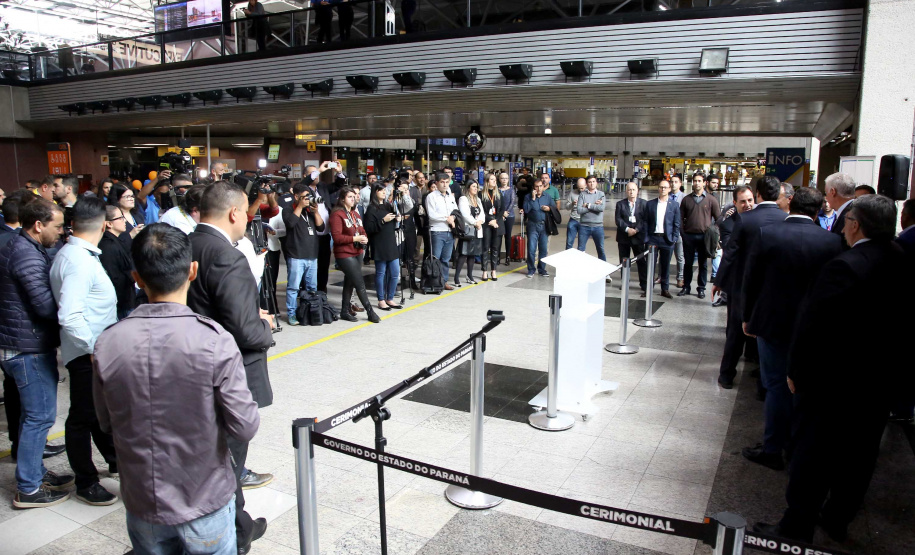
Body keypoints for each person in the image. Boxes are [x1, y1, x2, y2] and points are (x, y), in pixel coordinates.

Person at [93, 223, 259, 555]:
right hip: (203, 498)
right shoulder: (213, 340)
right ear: (192, 271)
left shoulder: (108, 341)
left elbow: (106, 421)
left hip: (142, 498)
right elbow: (245, 425)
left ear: (137, 278)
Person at [755, 195, 913, 543]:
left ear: (856, 225)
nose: (843, 227)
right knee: (861, 455)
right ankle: (837, 519)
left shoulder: (846, 265)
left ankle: (796, 525)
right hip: (879, 382)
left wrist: (796, 371)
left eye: (848, 220)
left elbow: (815, 324)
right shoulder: (902, 258)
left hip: (832, 382)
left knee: (812, 454)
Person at [186, 181, 274, 553]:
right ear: (235, 212)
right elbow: (245, 330)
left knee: (217, 455)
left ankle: (240, 523)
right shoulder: (227, 255)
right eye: (247, 213)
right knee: (230, 458)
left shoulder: (188, 243)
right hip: (229, 370)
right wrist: (265, 326)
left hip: (194, 361)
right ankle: (234, 535)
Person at [740, 187, 841, 470]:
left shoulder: (768, 234)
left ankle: (773, 448)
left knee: (775, 385)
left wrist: (747, 317)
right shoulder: (832, 241)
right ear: (818, 211)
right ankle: (798, 446)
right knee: (804, 386)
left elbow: (751, 279)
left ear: (790, 204)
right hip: (813, 326)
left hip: (772, 322)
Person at [0, 199, 73, 509]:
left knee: (31, 416)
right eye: (57, 226)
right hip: (27, 348)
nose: (61, 232)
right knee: (39, 417)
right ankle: (29, 488)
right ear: (38, 225)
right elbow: (44, 306)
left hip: (19, 343)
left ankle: (36, 472)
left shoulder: (21, 246)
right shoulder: (26, 255)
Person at [49, 197, 119, 506]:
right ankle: (86, 481)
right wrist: (92, 349)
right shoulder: (78, 261)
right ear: (103, 225)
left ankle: (114, 460)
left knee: (96, 412)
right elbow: (70, 315)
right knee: (82, 417)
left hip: (92, 351)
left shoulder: (78, 254)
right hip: (86, 354)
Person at [712, 177, 786, 389]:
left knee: (735, 333)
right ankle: (763, 384)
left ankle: (726, 375)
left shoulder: (746, 220)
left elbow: (730, 254)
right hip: (771, 287)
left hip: (742, 285)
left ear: (758, 195)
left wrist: (719, 281)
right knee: (766, 333)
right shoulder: (785, 218)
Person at [330, 187, 381, 322]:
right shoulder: (337, 215)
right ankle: (370, 311)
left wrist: (364, 238)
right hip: (344, 253)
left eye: (354, 196)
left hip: (357, 251)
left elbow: (362, 230)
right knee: (359, 282)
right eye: (350, 197)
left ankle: (344, 311)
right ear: (342, 199)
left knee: (350, 281)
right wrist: (355, 239)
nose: (353, 199)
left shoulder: (355, 214)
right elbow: (337, 238)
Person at [282, 179, 326, 325]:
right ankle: (292, 314)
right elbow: (290, 223)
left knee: (312, 288)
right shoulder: (288, 209)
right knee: (293, 287)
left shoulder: (310, 211)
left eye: (309, 196)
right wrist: (300, 206)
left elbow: (321, 228)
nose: (308, 199)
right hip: (296, 255)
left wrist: (316, 212)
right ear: (296, 197)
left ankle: (309, 313)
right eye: (305, 197)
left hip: (312, 255)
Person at [677, 173, 720, 299]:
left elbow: (719, 218)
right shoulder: (686, 199)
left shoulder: (711, 200)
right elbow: (680, 218)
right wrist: (683, 233)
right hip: (689, 236)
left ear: (704, 183)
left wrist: (714, 233)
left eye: (699, 181)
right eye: (695, 181)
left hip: (704, 237)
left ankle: (701, 288)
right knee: (688, 263)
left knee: (703, 264)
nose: (697, 183)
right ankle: (686, 286)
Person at [712, 186, 755, 308]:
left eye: (750, 200)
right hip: (738, 277)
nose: (748, 205)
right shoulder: (728, 224)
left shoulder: (761, 219)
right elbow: (729, 250)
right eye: (743, 201)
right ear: (735, 203)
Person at [364, 184, 404, 310]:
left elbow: (394, 223)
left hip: (391, 241)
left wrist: (397, 219)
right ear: (375, 192)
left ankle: (390, 298)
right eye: (380, 190)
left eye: (384, 190)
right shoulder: (371, 208)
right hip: (379, 242)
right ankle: (381, 299)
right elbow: (368, 228)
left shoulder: (388, 205)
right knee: (381, 272)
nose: (383, 192)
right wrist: (382, 221)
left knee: (395, 272)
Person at [642, 180, 680, 299]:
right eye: (661, 187)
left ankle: (665, 289)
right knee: (650, 265)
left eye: (665, 187)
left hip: (667, 239)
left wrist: (674, 238)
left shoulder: (674, 205)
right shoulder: (650, 204)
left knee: (665, 266)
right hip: (652, 238)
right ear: (658, 188)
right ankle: (649, 289)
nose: (663, 189)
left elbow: (677, 223)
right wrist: (646, 237)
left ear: (669, 189)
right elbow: (645, 221)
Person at [98, 206, 137, 320]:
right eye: (120, 218)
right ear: (109, 224)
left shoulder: (115, 241)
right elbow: (115, 278)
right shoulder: (108, 246)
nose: (124, 221)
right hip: (121, 304)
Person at [425, 171, 458, 290]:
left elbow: (455, 210)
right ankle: (434, 282)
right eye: (442, 182)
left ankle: (443, 281)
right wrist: (446, 218)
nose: (445, 185)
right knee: (435, 259)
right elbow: (432, 215)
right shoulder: (431, 196)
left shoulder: (450, 196)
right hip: (437, 231)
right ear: (437, 183)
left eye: (447, 182)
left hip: (449, 231)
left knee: (446, 259)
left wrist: (452, 217)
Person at [615, 181, 648, 295]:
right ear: (626, 191)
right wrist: (627, 229)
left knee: (641, 261)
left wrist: (636, 230)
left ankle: (644, 283)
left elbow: (645, 220)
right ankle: (625, 282)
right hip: (624, 237)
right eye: (629, 190)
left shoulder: (644, 204)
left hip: (638, 237)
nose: (631, 192)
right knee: (624, 260)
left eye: (633, 189)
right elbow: (618, 219)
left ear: (637, 191)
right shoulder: (620, 204)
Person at [454, 180, 485, 286]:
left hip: (477, 229)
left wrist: (480, 222)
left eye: (477, 187)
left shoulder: (478, 200)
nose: (476, 189)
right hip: (468, 230)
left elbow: (482, 213)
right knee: (463, 253)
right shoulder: (463, 199)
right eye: (473, 186)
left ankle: (469, 275)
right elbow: (465, 214)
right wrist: (475, 222)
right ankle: (456, 277)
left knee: (472, 254)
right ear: (468, 188)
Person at [523, 179, 556, 278]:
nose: (539, 188)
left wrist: (549, 208)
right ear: (533, 188)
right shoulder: (528, 197)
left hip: (544, 226)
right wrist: (533, 199)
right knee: (531, 249)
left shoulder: (547, 196)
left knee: (543, 249)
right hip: (532, 225)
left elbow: (554, 208)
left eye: (540, 186)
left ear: (543, 186)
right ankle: (531, 269)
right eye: (536, 186)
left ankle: (542, 269)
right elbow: (526, 210)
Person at [576, 175, 607, 263]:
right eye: (589, 182)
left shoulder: (601, 194)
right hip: (584, 226)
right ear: (586, 184)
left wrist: (588, 205)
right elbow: (579, 210)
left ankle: (604, 269)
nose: (592, 184)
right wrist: (594, 206)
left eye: (593, 181)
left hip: (598, 226)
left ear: (596, 183)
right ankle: (580, 267)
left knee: (600, 249)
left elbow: (601, 208)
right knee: (580, 249)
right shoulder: (582, 194)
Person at [480, 173, 505, 281]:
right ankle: (484, 271)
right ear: (487, 181)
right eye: (492, 179)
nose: (494, 181)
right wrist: (490, 220)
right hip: (486, 224)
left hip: (497, 223)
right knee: (485, 248)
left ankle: (493, 270)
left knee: (495, 248)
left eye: (495, 179)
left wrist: (495, 220)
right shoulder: (481, 195)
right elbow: (481, 210)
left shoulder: (499, 194)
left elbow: (502, 209)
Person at [108, 183, 145, 251]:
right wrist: (130, 235)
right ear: (117, 199)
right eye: (127, 196)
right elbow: (112, 243)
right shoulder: (114, 218)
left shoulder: (138, 215)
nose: (132, 199)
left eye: (132, 196)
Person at [823, 172, 855, 247]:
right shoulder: (854, 209)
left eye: (826, 193)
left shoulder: (850, 215)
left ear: (832, 192)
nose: (826, 197)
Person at [498, 172, 516, 265]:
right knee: (498, 236)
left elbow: (512, 202)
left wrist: (506, 212)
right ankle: (497, 256)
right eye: (502, 178)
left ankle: (508, 256)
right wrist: (501, 213)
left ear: (508, 180)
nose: (504, 180)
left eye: (506, 178)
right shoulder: (497, 190)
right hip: (499, 216)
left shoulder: (511, 190)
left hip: (509, 216)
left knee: (507, 236)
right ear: (499, 179)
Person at [566, 178, 586, 250]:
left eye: (582, 188)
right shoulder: (572, 193)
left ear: (586, 185)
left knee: (582, 244)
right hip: (573, 219)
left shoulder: (589, 194)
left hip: (584, 221)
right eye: (579, 188)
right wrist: (572, 203)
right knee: (569, 242)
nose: (581, 190)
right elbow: (567, 207)